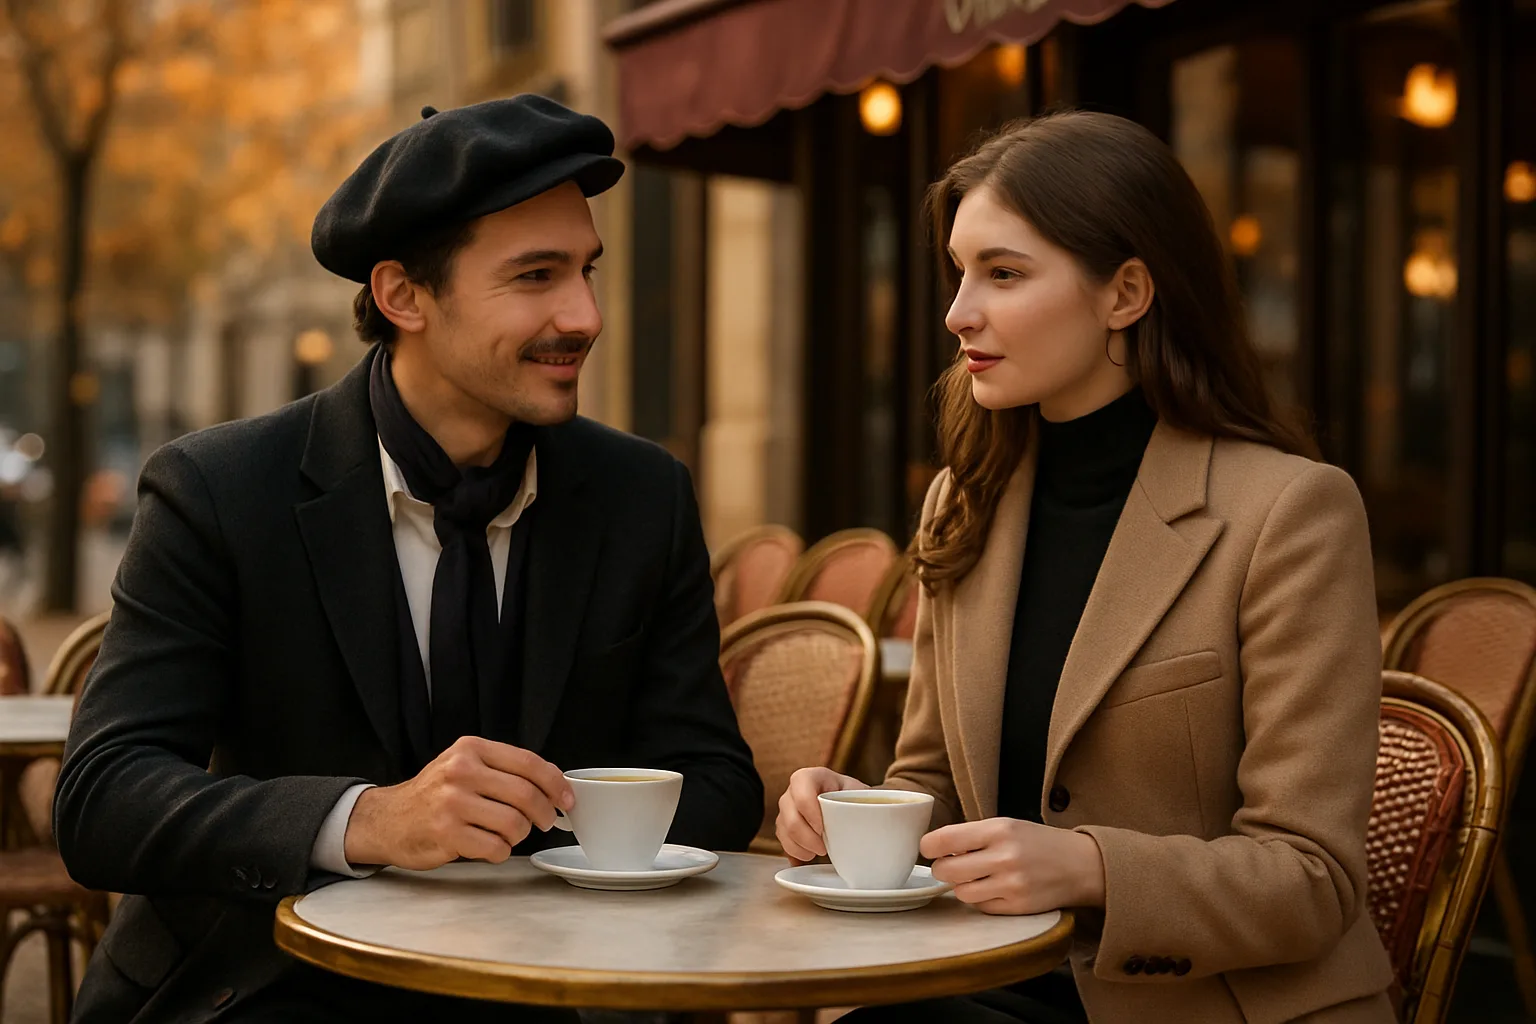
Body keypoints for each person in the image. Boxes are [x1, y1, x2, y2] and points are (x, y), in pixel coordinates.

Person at [55, 96, 763, 1024]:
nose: (585, 315)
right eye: (535, 275)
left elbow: (717, 785)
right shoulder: (218, 490)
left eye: (587, 270)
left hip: (558, 990)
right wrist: (369, 820)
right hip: (275, 984)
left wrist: (558, 821)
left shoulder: (643, 495)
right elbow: (105, 798)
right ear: (402, 296)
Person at [777, 111, 1394, 1023]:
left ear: (1127, 293)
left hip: (1207, 1004)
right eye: (959, 272)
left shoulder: (1290, 512)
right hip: (984, 979)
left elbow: (1314, 878)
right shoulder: (967, 497)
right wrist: (860, 812)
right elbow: (934, 784)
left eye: (1004, 273)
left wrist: (1096, 868)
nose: (958, 312)